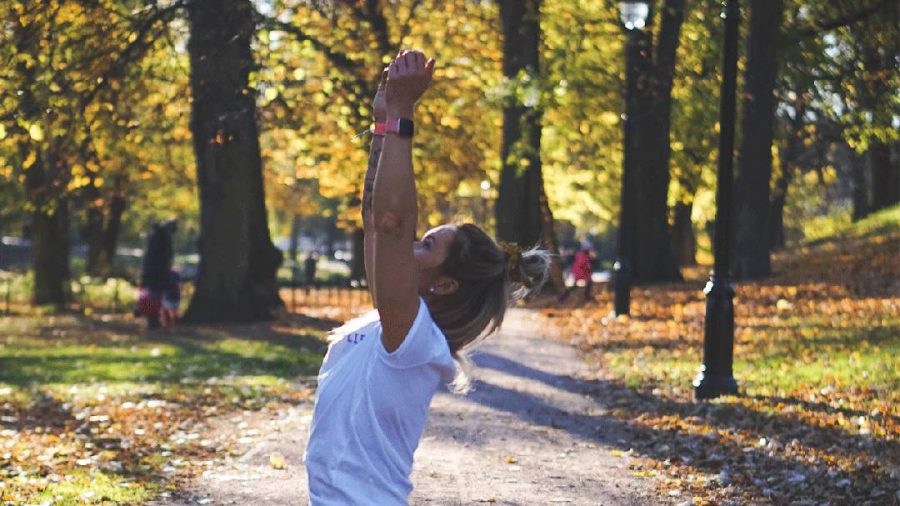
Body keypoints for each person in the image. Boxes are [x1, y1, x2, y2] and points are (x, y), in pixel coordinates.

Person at [304, 51, 551, 505]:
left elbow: (392, 223)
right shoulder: (388, 322)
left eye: (428, 246)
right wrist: (382, 124)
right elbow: (377, 218)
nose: (411, 245)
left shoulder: (413, 339)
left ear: (445, 283)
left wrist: (403, 114)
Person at [138, 220, 176, 329]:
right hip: (157, 274)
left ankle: (154, 320)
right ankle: (154, 321)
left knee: (155, 297)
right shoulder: (163, 239)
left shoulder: (155, 237)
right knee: (155, 297)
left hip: (153, 273)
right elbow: (164, 258)